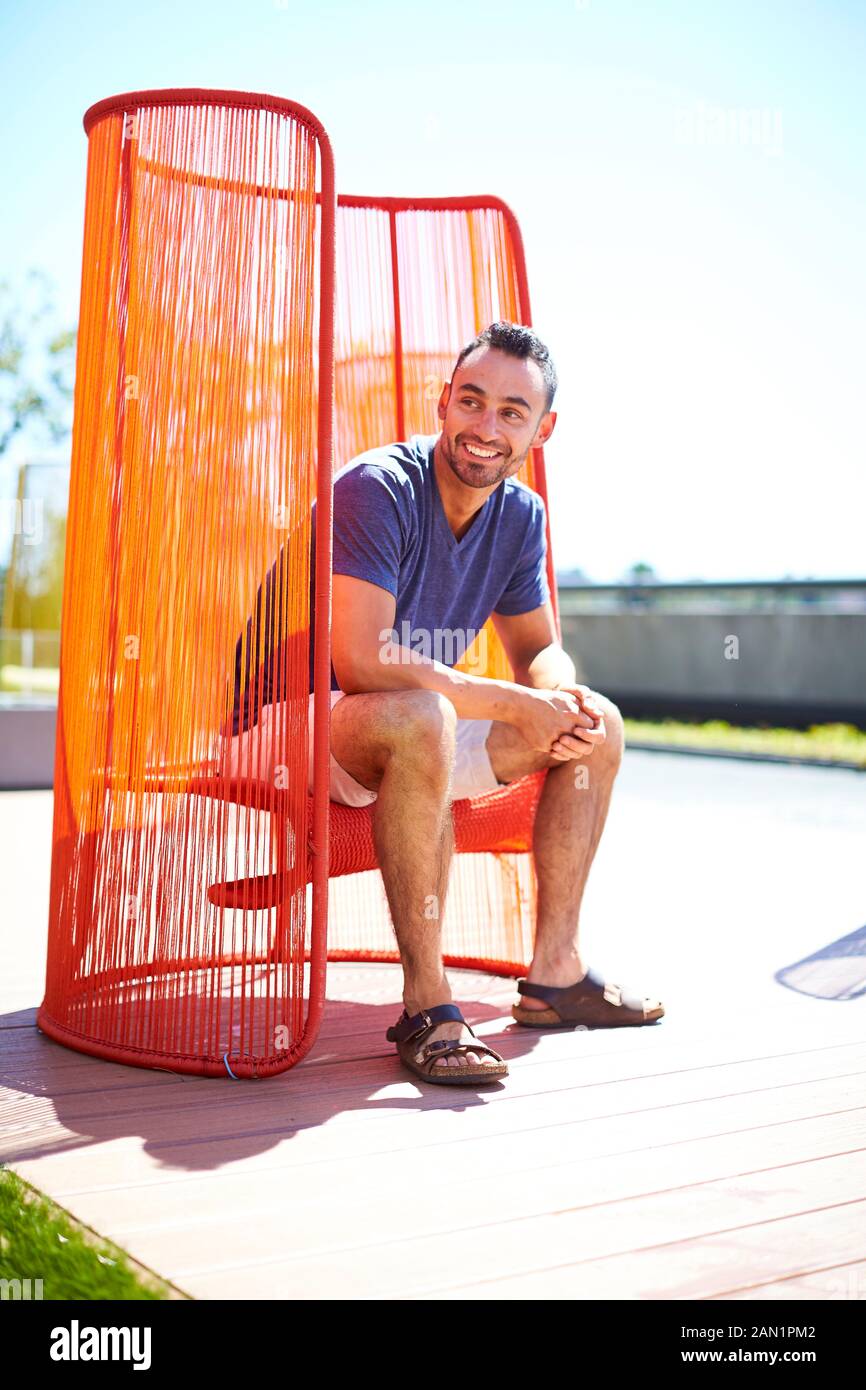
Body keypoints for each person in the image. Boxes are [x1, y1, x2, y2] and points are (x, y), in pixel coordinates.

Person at [223, 321, 663, 1087]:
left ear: (542, 428)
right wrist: (509, 702)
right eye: (472, 401)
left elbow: (538, 652)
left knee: (600, 725)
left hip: (405, 723)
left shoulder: (521, 516)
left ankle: (556, 974)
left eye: (511, 412)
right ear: (442, 403)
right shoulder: (377, 487)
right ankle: (427, 1005)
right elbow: (361, 658)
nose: (486, 427)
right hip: (288, 718)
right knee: (428, 716)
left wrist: (561, 696)